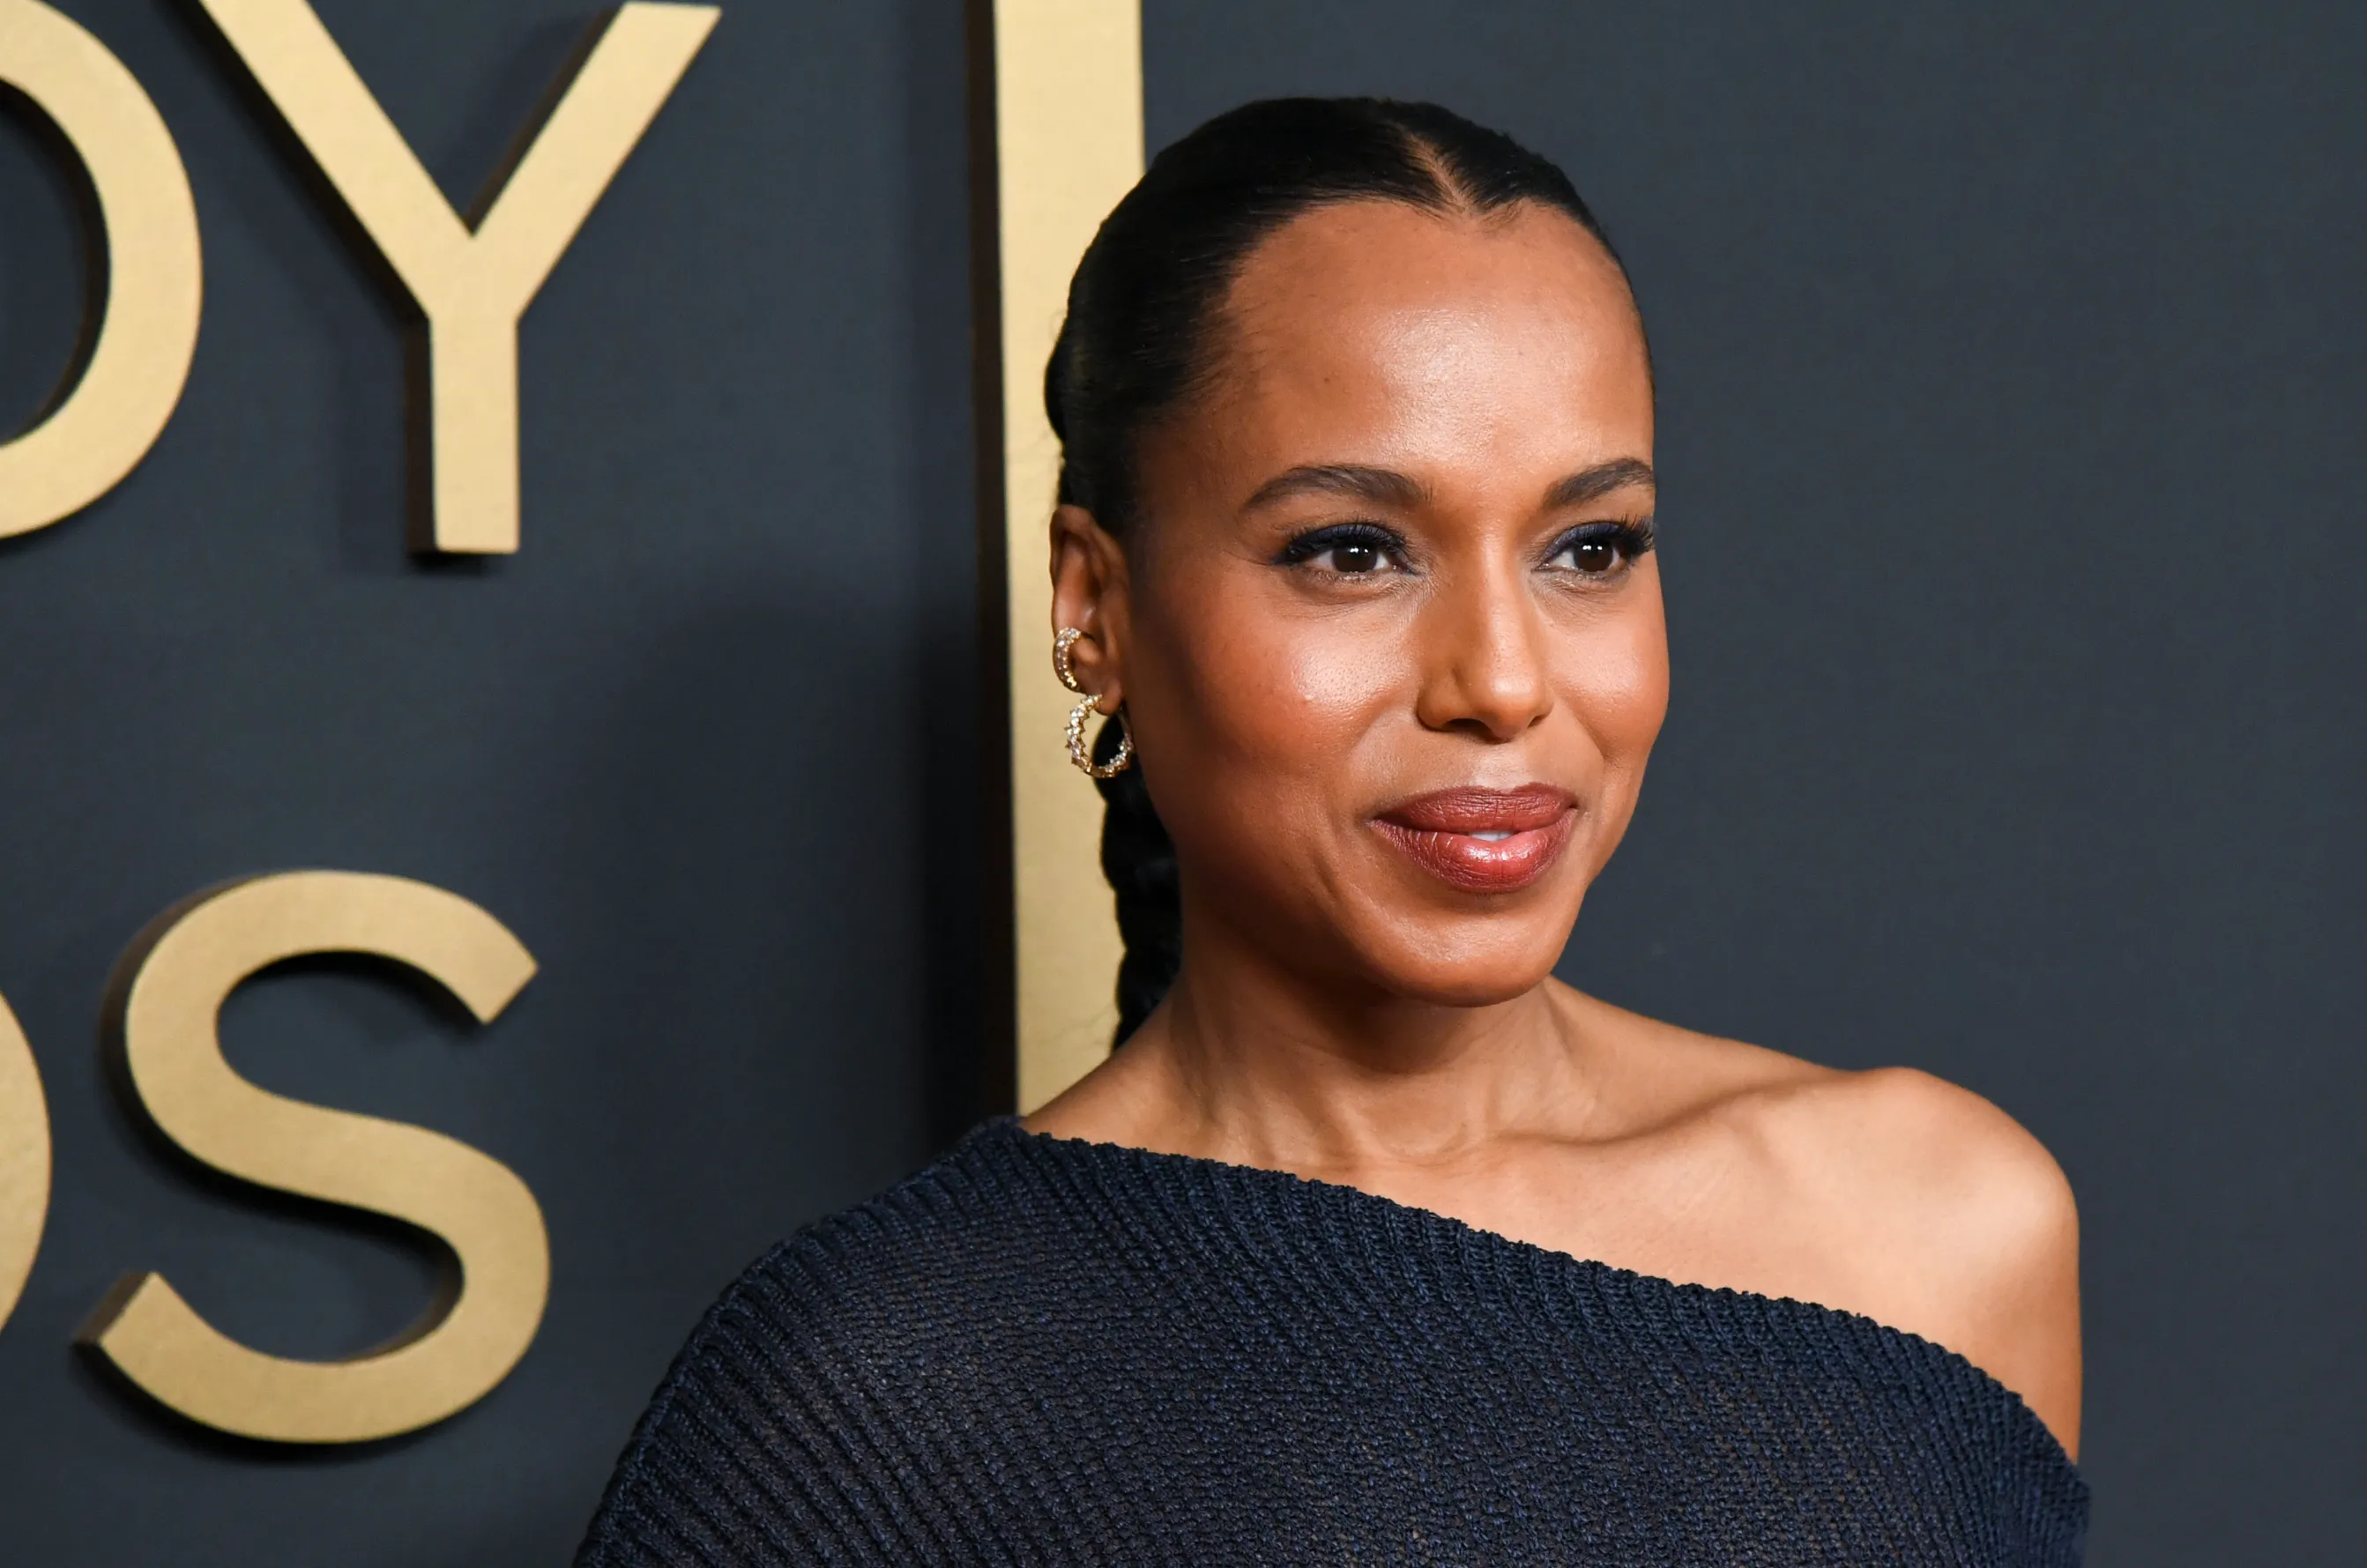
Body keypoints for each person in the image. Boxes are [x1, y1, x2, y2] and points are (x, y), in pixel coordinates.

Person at [577, 96, 2084, 1566]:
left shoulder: (1943, 1223)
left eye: (1590, 547)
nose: (1502, 678)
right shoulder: (885, 1392)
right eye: (1352, 550)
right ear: (1095, 605)